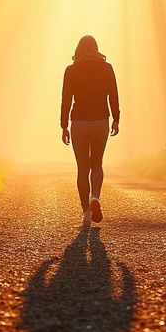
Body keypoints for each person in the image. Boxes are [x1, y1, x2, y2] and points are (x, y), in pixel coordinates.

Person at [61, 35, 119, 227]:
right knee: (97, 164)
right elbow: (113, 95)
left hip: (78, 123)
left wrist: (63, 126)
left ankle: (86, 212)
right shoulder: (107, 68)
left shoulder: (71, 70)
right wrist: (116, 119)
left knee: (82, 169)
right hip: (101, 121)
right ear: (96, 49)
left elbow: (66, 99)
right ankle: (95, 196)